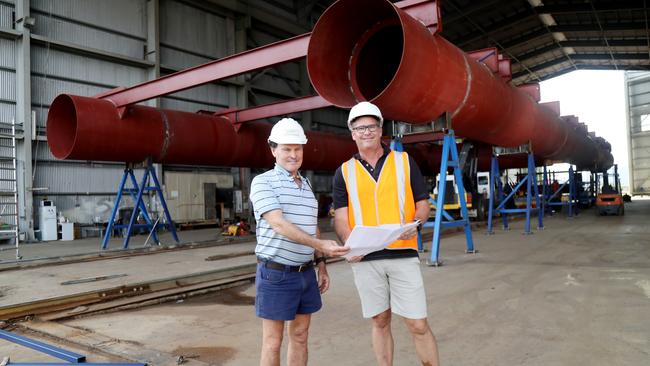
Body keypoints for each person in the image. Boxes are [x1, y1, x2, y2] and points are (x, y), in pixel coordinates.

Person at [332, 102, 439, 366]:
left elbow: (423, 205)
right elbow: (342, 219)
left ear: (381, 130)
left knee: (417, 323)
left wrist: (415, 222)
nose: (366, 132)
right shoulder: (343, 172)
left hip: (403, 252)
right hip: (366, 258)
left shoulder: (404, 162)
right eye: (360, 127)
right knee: (380, 321)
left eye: (371, 126)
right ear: (352, 133)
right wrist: (351, 247)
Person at [249, 117, 350, 366]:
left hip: (305, 274)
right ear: (273, 150)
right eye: (286, 149)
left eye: (297, 149)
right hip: (276, 273)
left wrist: (321, 263)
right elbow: (278, 223)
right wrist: (320, 245)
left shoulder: (305, 185)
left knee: (300, 336)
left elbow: (311, 226)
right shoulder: (262, 182)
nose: (293, 155)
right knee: (273, 341)